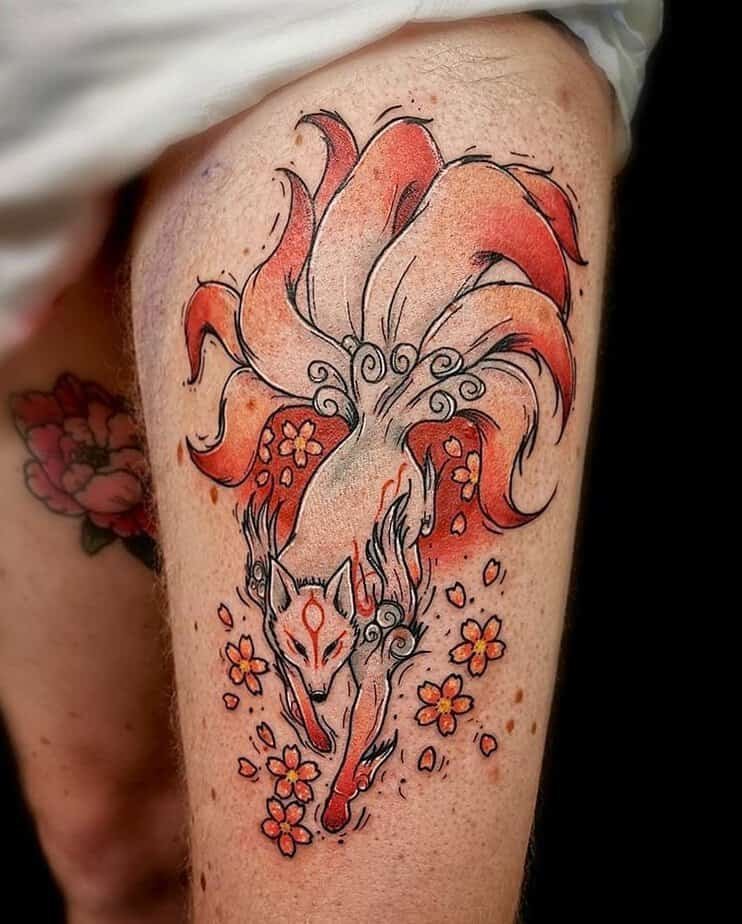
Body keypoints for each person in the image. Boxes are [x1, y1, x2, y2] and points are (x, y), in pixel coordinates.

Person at [0, 4, 662, 922]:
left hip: (358, 20)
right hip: (38, 68)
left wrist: (379, 609)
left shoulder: (373, 570)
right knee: (114, 842)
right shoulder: (299, 577)